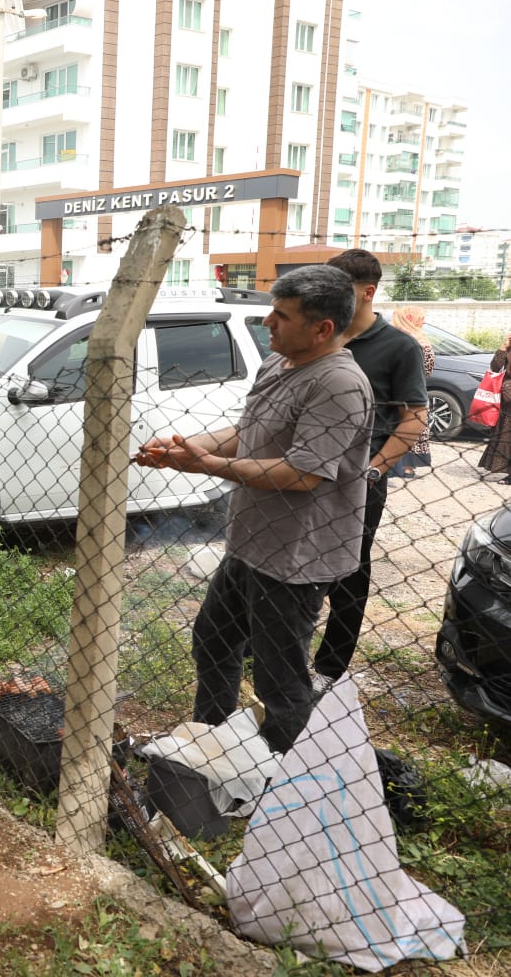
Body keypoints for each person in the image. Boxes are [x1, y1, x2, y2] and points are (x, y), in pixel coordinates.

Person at [135, 264, 372, 753]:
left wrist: (211, 467)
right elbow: (248, 433)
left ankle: (283, 783)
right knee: (214, 642)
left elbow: (304, 474)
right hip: (251, 542)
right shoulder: (278, 364)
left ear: (322, 328)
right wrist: (184, 447)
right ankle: (212, 746)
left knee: (279, 680)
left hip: (295, 559)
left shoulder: (336, 383)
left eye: (282, 316)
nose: (268, 323)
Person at [312, 249, 426, 690]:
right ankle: (267, 647)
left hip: (360, 480)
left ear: (367, 293)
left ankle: (328, 670)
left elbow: (413, 416)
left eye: (338, 291)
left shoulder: (399, 347)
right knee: (289, 560)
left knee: (348, 571)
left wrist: (375, 471)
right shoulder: (323, 336)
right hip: (305, 469)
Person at [388, 306, 434, 478]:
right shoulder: (417, 340)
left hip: (396, 391)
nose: (424, 321)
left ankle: (400, 465)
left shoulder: (391, 338)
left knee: (401, 426)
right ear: (410, 319)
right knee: (411, 426)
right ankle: (406, 466)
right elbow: (427, 369)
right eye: (421, 318)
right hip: (413, 391)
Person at [479, 332, 511, 484]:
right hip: (507, 401)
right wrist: (503, 347)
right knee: (506, 437)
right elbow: (495, 367)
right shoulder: (508, 348)